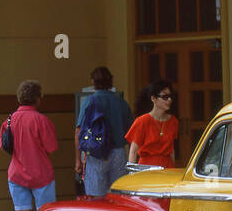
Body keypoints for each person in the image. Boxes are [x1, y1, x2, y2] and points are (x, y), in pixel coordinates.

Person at [5, 80, 58, 211]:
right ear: (37, 98)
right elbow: (51, 148)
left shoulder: (9, 120)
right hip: (41, 173)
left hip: (16, 173)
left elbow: (6, 147)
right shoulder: (41, 120)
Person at [74, 66, 133, 198]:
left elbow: (78, 131)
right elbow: (131, 131)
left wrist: (78, 160)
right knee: (118, 196)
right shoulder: (121, 102)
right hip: (118, 152)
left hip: (96, 153)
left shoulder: (90, 101)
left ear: (93, 82)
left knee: (96, 198)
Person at [126, 80, 179, 167]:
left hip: (167, 167)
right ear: (153, 98)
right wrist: (132, 174)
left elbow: (172, 150)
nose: (169, 100)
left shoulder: (173, 121)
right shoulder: (142, 121)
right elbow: (133, 151)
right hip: (147, 168)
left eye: (170, 96)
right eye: (165, 96)